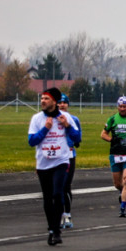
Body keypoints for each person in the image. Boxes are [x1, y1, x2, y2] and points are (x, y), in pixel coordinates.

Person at [28, 88, 80, 246]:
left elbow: (77, 138)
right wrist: (45, 129)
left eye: (46, 99)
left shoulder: (66, 117)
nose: (42, 101)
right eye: (42, 98)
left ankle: (57, 230)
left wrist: (67, 126)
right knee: (47, 196)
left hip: (61, 161)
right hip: (43, 163)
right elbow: (32, 141)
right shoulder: (37, 119)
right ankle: (51, 228)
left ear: (54, 102)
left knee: (58, 194)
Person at [101, 96, 126, 217]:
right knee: (117, 184)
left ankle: (123, 208)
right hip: (115, 154)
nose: (122, 109)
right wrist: (111, 140)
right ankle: (122, 193)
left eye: (124, 106)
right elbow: (103, 134)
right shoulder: (112, 119)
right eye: (120, 106)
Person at [57, 94, 82, 230]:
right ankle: (58, 214)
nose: (62, 105)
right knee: (57, 187)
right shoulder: (52, 119)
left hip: (70, 155)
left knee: (66, 186)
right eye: (59, 103)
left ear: (68, 104)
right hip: (56, 156)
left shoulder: (74, 119)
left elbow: (78, 139)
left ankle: (67, 214)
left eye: (64, 103)